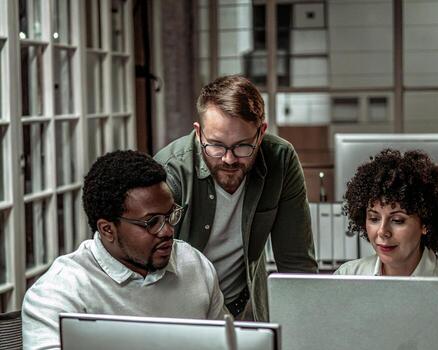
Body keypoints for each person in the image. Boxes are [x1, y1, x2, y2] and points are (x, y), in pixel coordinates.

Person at [22, 150, 225, 350]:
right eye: (152, 222)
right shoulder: (59, 294)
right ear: (107, 229)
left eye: (170, 215)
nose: (168, 231)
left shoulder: (195, 265)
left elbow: (229, 342)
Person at [154, 75, 318, 321]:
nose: (229, 159)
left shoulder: (280, 160)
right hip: (179, 312)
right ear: (198, 133)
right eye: (216, 145)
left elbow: (297, 266)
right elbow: (148, 266)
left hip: (244, 307)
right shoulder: (169, 169)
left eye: (242, 146)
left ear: (261, 133)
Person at [335, 148, 438, 277]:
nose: (382, 231)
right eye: (374, 218)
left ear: (425, 224)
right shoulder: (346, 277)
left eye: (397, 220)